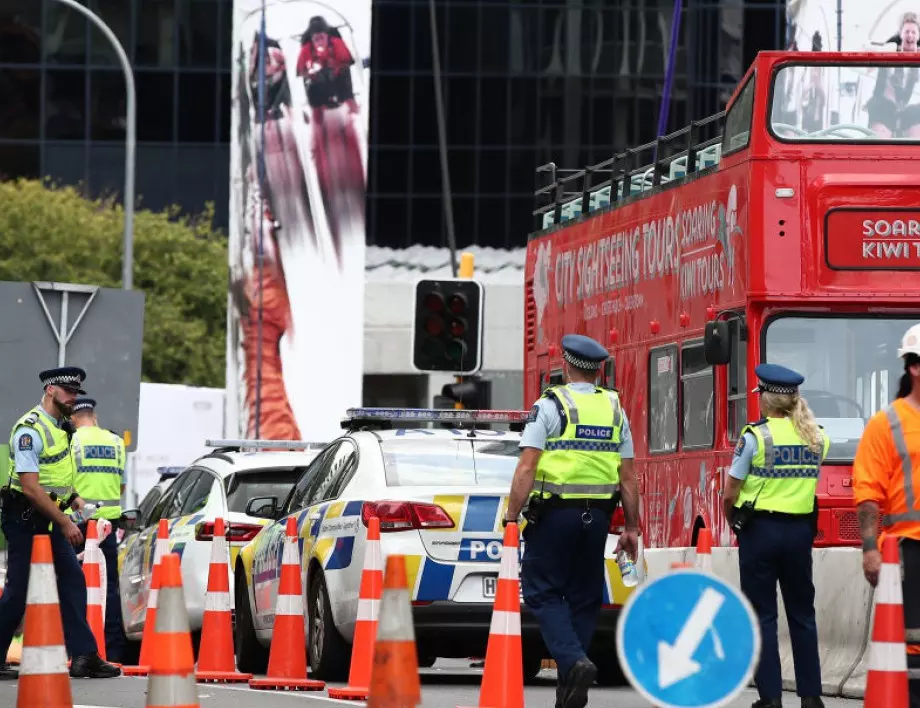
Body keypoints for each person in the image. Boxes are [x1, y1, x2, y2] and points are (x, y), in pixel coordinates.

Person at [504, 334, 640, 708]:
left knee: (542, 592)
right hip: (597, 518)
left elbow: (527, 467)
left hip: (553, 518)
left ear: (565, 365)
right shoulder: (615, 408)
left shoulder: (550, 405)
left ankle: (573, 661)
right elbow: (628, 477)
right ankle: (569, 692)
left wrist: (511, 516)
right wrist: (632, 528)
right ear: (598, 370)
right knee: (584, 598)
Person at [0, 367, 120, 679]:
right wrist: (66, 522)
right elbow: (30, 487)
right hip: (25, 519)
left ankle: (83, 656)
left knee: (73, 582)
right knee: (19, 590)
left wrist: (75, 498)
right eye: (68, 392)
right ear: (51, 391)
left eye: (76, 392)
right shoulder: (29, 430)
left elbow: (57, 477)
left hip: (50, 519)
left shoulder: (62, 428)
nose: (73, 398)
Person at [721, 363, 828, 708]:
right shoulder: (816, 437)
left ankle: (770, 697)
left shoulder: (755, 436)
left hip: (760, 533)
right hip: (799, 533)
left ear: (766, 400)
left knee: (762, 614)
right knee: (802, 613)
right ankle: (811, 696)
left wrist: (734, 521)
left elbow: (730, 492)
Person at [852, 323, 920, 707]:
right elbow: (867, 492)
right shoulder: (887, 425)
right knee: (912, 644)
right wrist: (869, 549)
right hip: (908, 549)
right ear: (915, 367)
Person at [70, 396, 128, 663]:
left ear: (73, 418)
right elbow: (121, 486)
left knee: (75, 584)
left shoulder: (71, 442)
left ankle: (78, 649)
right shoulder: (116, 442)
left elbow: (64, 483)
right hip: (108, 525)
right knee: (110, 587)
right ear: (94, 416)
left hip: (79, 524)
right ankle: (113, 649)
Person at [296, 15, 359, 123]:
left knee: (342, 77)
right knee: (313, 87)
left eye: (321, 37)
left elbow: (347, 62)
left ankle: (352, 112)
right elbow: (300, 71)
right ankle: (318, 120)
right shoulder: (306, 49)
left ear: (327, 35)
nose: (319, 41)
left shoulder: (336, 43)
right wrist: (313, 74)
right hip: (317, 86)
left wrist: (335, 68)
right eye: (316, 38)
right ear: (311, 38)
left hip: (339, 81)